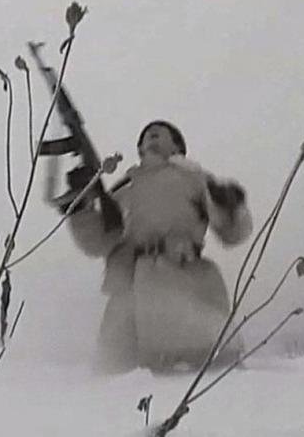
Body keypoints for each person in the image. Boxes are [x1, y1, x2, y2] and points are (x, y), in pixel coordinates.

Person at [64, 120, 253, 373]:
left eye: (162, 133)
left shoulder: (194, 177)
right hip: (128, 296)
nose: (152, 135)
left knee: (202, 373)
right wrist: (80, 207)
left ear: (177, 148)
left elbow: (233, 234)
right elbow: (98, 242)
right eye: (146, 135)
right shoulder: (125, 187)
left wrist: (231, 205)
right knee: (111, 383)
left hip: (183, 282)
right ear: (140, 149)